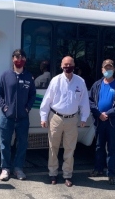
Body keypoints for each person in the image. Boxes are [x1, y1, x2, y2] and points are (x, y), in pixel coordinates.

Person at [40, 56, 90, 186]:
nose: (68, 67)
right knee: (53, 147)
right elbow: (47, 100)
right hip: (55, 118)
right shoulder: (55, 81)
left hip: (72, 119)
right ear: (61, 66)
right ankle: (53, 174)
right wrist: (43, 117)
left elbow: (84, 101)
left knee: (70, 148)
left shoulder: (80, 82)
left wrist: (84, 118)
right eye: (65, 64)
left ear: (74, 65)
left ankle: (67, 175)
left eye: (70, 64)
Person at [0, 49, 36, 181]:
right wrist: (4, 107)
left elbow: (32, 95)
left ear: (25, 60)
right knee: (5, 144)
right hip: (7, 118)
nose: (19, 60)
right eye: (17, 57)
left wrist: (28, 108)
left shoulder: (29, 76)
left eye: (22, 57)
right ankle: (5, 169)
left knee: (22, 144)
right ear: (12, 59)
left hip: (23, 118)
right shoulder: (5, 75)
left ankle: (18, 169)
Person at [89, 59, 115, 185]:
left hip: (112, 122)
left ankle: (111, 173)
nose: (108, 70)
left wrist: (108, 114)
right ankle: (98, 169)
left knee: (112, 148)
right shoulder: (96, 85)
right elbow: (91, 101)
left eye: (110, 68)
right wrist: (99, 114)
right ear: (102, 70)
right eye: (106, 68)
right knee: (99, 147)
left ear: (113, 69)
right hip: (99, 121)